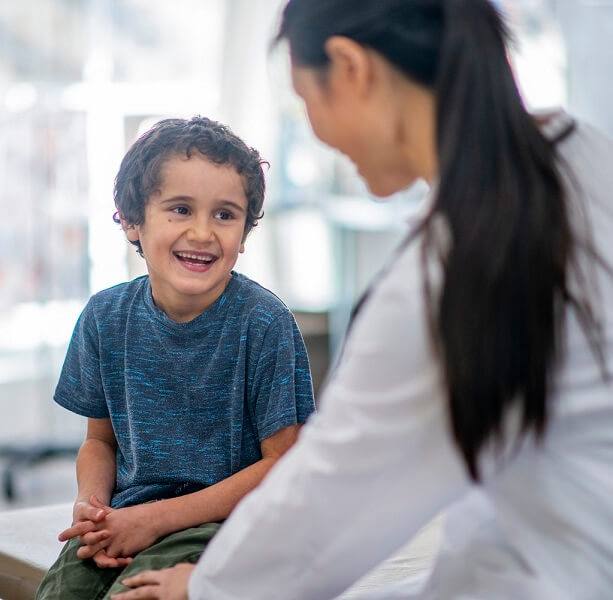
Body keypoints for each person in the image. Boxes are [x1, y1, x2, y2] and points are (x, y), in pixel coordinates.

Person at [115, 1, 613, 599]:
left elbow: (330, 499)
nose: (319, 134)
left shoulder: (444, 276)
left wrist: (205, 588)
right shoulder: (588, 159)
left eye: (308, 102)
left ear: (351, 68)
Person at [35, 116, 315, 600]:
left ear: (244, 234)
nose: (203, 232)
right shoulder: (104, 317)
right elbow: (99, 443)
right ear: (131, 219)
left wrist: (153, 519)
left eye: (225, 215)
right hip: (129, 516)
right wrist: (94, 506)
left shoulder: (264, 323)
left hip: (227, 526)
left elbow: (283, 465)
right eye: (181, 209)